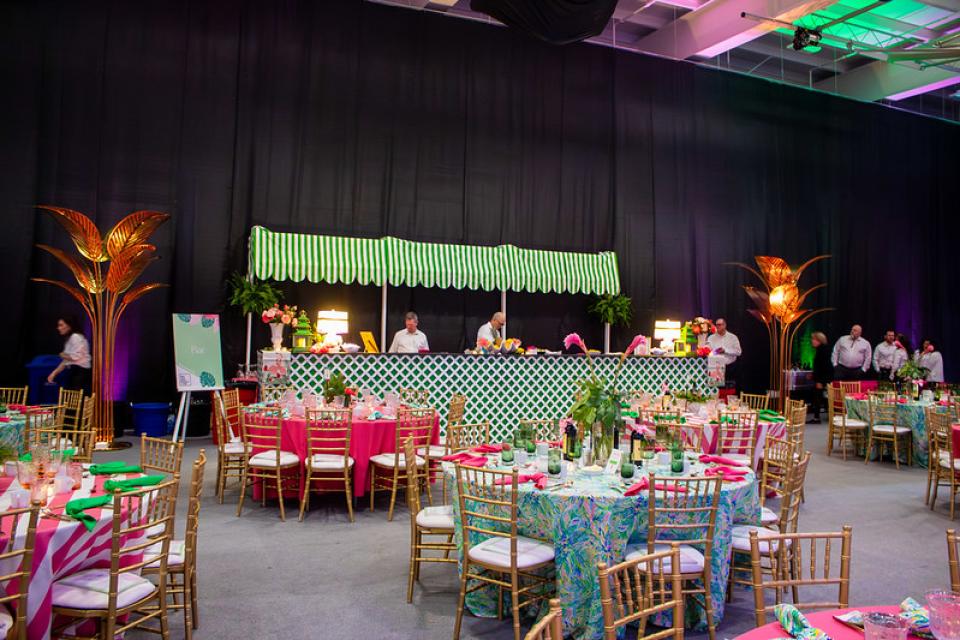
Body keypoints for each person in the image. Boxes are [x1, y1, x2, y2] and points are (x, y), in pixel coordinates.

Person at [46, 315, 92, 393]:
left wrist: (63, 355)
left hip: (80, 373)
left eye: (61, 325)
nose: (58, 328)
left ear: (69, 325)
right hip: (75, 372)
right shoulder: (71, 338)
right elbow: (66, 361)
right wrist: (54, 373)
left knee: (76, 399)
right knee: (70, 397)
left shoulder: (76, 337)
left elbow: (75, 357)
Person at [706, 318, 741, 387]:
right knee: (715, 388)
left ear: (724, 325)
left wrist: (725, 350)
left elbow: (738, 352)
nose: (717, 327)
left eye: (719, 325)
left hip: (730, 368)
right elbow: (707, 349)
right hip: (714, 368)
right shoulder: (711, 338)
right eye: (716, 325)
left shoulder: (733, 337)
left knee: (729, 390)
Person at [810, 331, 832, 423]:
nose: (812, 341)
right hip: (823, 377)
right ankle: (828, 416)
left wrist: (819, 380)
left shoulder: (822, 351)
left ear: (819, 340)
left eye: (814, 339)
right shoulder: (821, 350)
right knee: (823, 397)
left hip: (822, 378)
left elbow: (823, 367)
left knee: (819, 397)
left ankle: (817, 417)